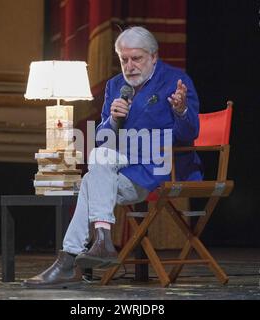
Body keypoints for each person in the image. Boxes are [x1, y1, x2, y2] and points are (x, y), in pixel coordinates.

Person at [23, 26, 202, 288]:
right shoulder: (115, 86)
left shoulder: (176, 81)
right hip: (119, 164)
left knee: (90, 179)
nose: (129, 66)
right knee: (99, 162)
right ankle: (97, 243)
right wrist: (112, 119)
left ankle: (70, 261)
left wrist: (181, 109)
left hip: (155, 167)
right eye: (123, 60)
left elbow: (190, 133)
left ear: (153, 57)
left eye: (136, 59)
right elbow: (104, 137)